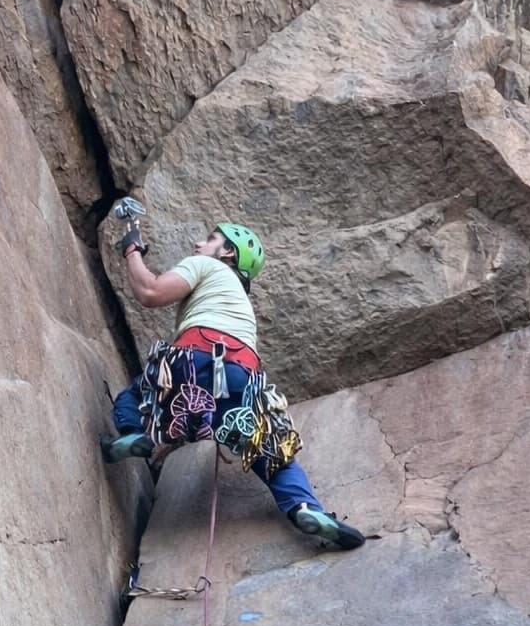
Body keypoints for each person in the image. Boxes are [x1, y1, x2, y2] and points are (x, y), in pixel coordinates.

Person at [102, 217, 366, 550]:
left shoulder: (205, 266)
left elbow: (151, 292)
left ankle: (131, 434)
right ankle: (305, 508)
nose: (199, 245)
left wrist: (131, 249)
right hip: (246, 381)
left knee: (136, 397)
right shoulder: (240, 304)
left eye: (210, 240)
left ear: (227, 252)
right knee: (272, 454)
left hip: (195, 361)